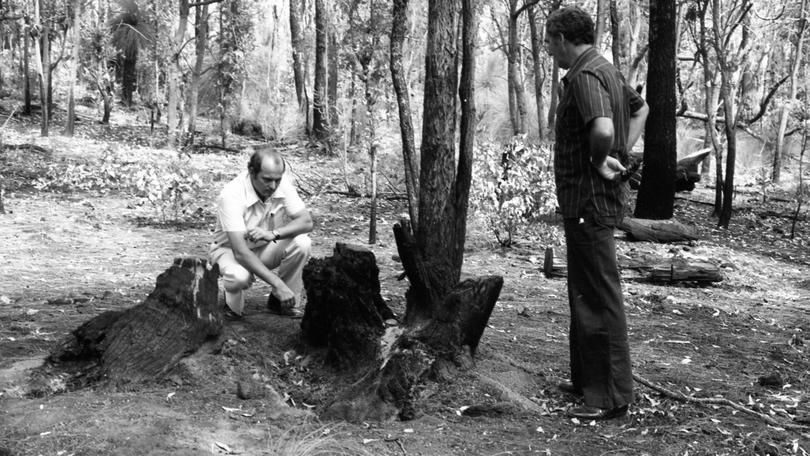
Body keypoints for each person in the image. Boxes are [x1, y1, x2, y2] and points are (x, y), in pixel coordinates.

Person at [544, 6, 649, 420]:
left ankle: (608, 398)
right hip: (589, 202)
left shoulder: (586, 75)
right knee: (585, 291)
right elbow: (642, 109)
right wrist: (620, 151)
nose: (551, 52)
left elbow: (602, 129)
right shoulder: (606, 69)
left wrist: (604, 156)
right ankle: (587, 380)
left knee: (598, 295)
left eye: (551, 43)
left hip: (589, 200)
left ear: (565, 39)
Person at [209, 146, 314, 318]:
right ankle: (233, 308)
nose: (273, 186)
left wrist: (274, 234)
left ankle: (281, 303)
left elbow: (307, 222)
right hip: (229, 251)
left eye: (277, 180)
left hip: (263, 247)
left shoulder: (281, 184)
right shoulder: (231, 194)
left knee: (302, 243)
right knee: (238, 276)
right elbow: (241, 252)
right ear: (251, 171)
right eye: (267, 180)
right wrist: (276, 283)